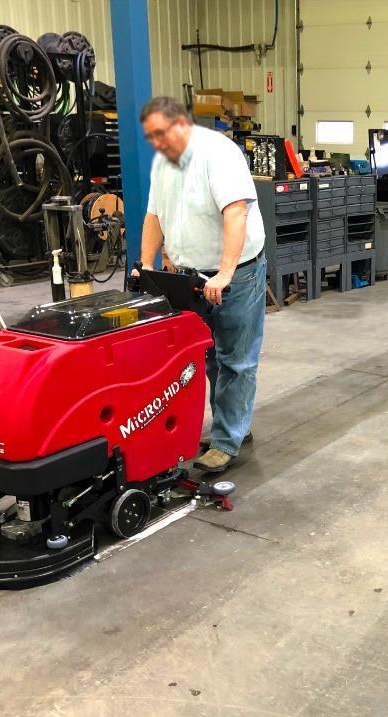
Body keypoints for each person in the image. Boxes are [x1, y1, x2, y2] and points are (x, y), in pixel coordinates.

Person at [137, 96, 266, 474]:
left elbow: (236, 211)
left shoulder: (219, 153)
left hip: (236, 272)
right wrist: (146, 265)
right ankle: (233, 425)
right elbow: (154, 215)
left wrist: (225, 273)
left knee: (236, 360)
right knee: (208, 356)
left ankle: (228, 440)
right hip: (192, 276)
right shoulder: (163, 162)